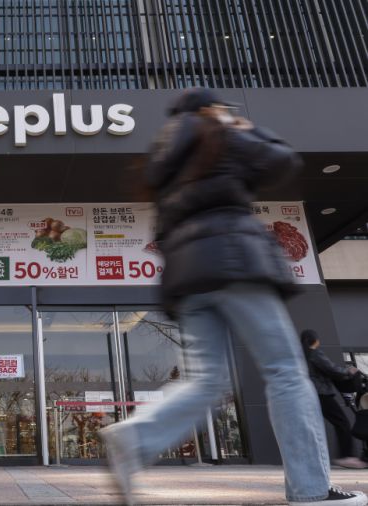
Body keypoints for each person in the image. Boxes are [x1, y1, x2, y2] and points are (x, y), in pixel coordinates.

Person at [99, 88, 367, 506]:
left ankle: (134, 436)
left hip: (186, 278)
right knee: (285, 372)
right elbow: (282, 161)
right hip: (237, 263)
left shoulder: (165, 158)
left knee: (205, 380)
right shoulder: (219, 131)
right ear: (210, 108)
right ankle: (311, 489)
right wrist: (241, 125)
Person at [301, 329, 367, 469]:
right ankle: (346, 456)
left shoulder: (301, 356)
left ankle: (308, 458)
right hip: (321, 394)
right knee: (342, 422)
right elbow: (331, 368)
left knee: (311, 426)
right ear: (315, 340)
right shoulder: (314, 353)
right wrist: (349, 371)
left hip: (308, 393)